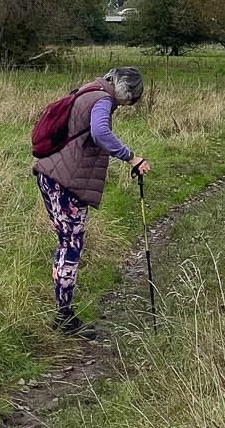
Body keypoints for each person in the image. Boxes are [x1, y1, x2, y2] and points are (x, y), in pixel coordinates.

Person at [32, 66, 149, 334]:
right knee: (70, 246)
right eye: (132, 98)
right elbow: (100, 134)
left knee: (66, 243)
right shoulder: (103, 100)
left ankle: (64, 314)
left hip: (51, 175)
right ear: (127, 91)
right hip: (65, 182)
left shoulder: (90, 89)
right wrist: (131, 156)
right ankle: (64, 319)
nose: (130, 104)